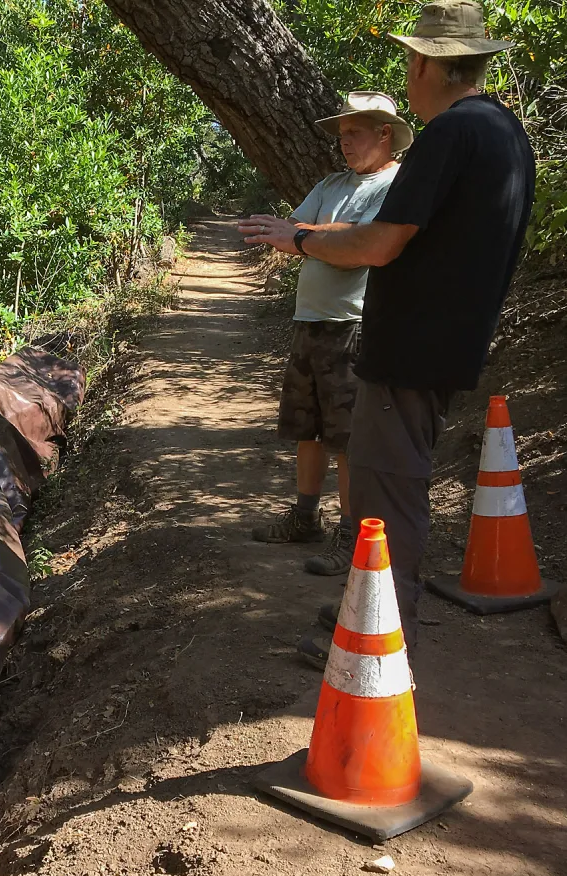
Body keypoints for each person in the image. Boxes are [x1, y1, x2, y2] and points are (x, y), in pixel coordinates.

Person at [241, 0, 535, 666]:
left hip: (409, 348)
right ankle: (366, 601)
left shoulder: (451, 133)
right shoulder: (504, 133)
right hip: (445, 343)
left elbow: (379, 243)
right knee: (388, 479)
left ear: (426, 63)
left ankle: (378, 632)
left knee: (385, 486)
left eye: (409, 60)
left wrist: (301, 240)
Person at [242, 92, 412, 578]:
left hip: (354, 324)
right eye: (340, 134)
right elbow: (298, 233)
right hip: (310, 320)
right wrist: (315, 235)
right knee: (307, 427)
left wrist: (312, 235)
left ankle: (351, 532)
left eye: (353, 131)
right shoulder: (332, 183)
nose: (344, 142)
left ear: (385, 134)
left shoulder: (396, 186)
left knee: (348, 438)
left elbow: (359, 243)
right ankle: (305, 516)